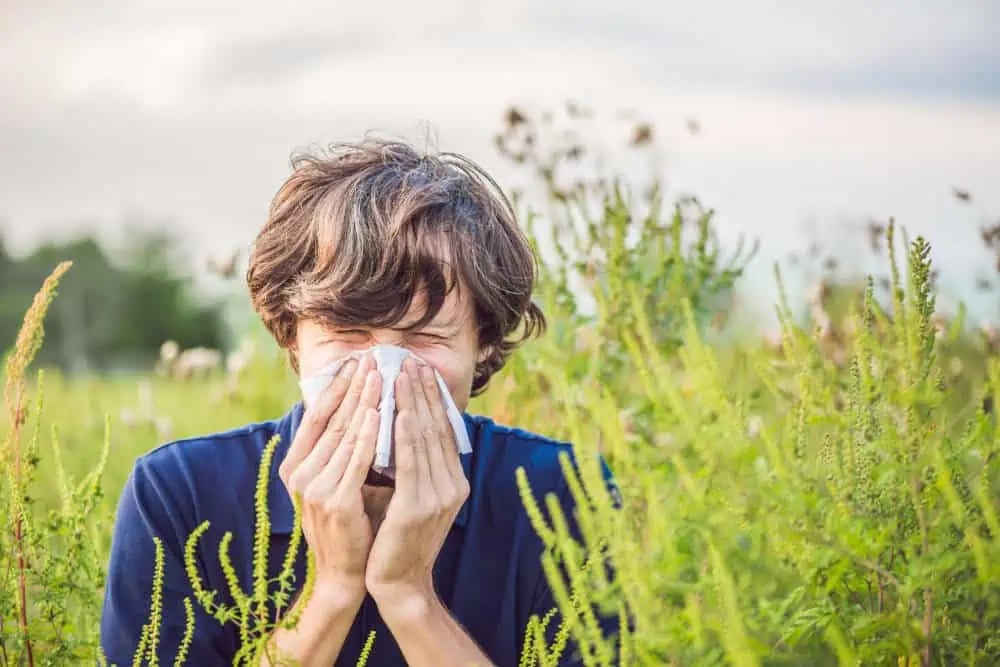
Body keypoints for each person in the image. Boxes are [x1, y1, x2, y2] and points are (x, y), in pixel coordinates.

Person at [100, 136, 621, 666]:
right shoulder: (179, 495)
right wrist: (331, 588)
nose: (384, 373)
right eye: (349, 332)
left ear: (482, 343)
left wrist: (409, 595)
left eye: (425, 338)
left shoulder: (564, 495)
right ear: (290, 336)